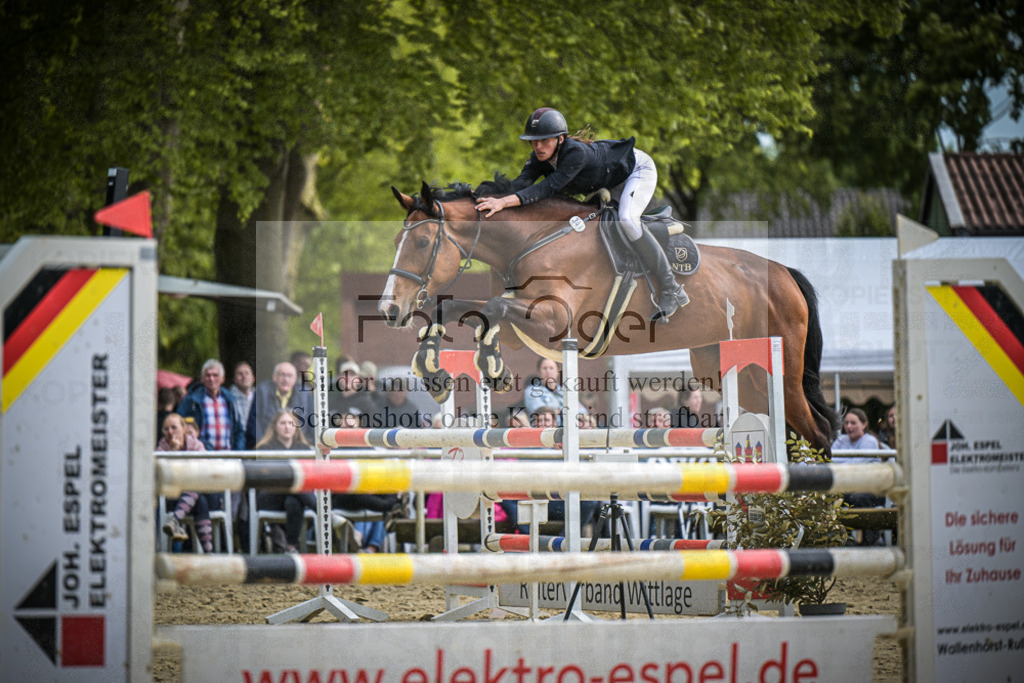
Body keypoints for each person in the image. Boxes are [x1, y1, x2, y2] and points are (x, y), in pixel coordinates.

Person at [475, 107, 688, 321]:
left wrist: (504, 202)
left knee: (627, 220)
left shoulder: (575, 153)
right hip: (608, 179)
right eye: (533, 141)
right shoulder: (539, 157)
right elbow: (520, 185)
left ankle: (671, 288)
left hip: (636, 170)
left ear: (560, 139)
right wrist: (482, 196)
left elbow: (545, 189)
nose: (538, 146)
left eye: (544, 140)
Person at [252, 410, 317, 553]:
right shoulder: (265, 448)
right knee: (294, 483)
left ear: (296, 427)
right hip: (270, 497)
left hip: (296, 498)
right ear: (275, 426)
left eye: (290, 423)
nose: (287, 427)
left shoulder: (304, 449)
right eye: (283, 423)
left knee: (293, 501)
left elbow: (311, 477)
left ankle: (291, 547)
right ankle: (324, 511)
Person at [158, 414, 217, 553]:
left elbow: (202, 469)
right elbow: (162, 474)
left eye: (174, 427)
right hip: (172, 497)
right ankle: (209, 552)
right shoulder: (161, 448)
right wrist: (173, 453)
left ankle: (174, 520)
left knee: (198, 494)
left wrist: (180, 460)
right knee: (198, 498)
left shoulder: (196, 445)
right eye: (166, 429)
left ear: (184, 429)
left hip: (194, 494)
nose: (170, 432)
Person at [831, 407, 885, 546]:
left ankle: (872, 540)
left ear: (864, 424)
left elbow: (855, 466)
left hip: (871, 490)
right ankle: (844, 540)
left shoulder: (870, 441)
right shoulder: (841, 440)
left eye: (853, 423)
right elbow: (830, 462)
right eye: (846, 423)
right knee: (832, 498)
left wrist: (842, 462)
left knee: (858, 498)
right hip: (846, 488)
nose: (848, 426)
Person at [176, 359, 246, 452]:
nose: (211, 379)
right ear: (202, 378)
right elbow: (179, 424)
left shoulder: (230, 400)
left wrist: (238, 452)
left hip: (228, 456)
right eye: (208, 375)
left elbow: (239, 430)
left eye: (215, 375)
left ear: (222, 378)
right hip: (202, 455)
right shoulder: (191, 400)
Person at [245, 361, 314, 448]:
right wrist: (262, 446)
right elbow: (254, 422)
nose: (286, 379)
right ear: (274, 377)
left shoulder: (305, 394)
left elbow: (312, 423)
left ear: (295, 379)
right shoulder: (263, 391)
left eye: (289, 376)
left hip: (297, 447)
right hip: (268, 447)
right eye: (282, 375)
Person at [228, 361, 256, 425]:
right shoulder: (229, 399)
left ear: (253, 378)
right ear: (235, 380)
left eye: (247, 373)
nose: (244, 376)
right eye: (240, 374)